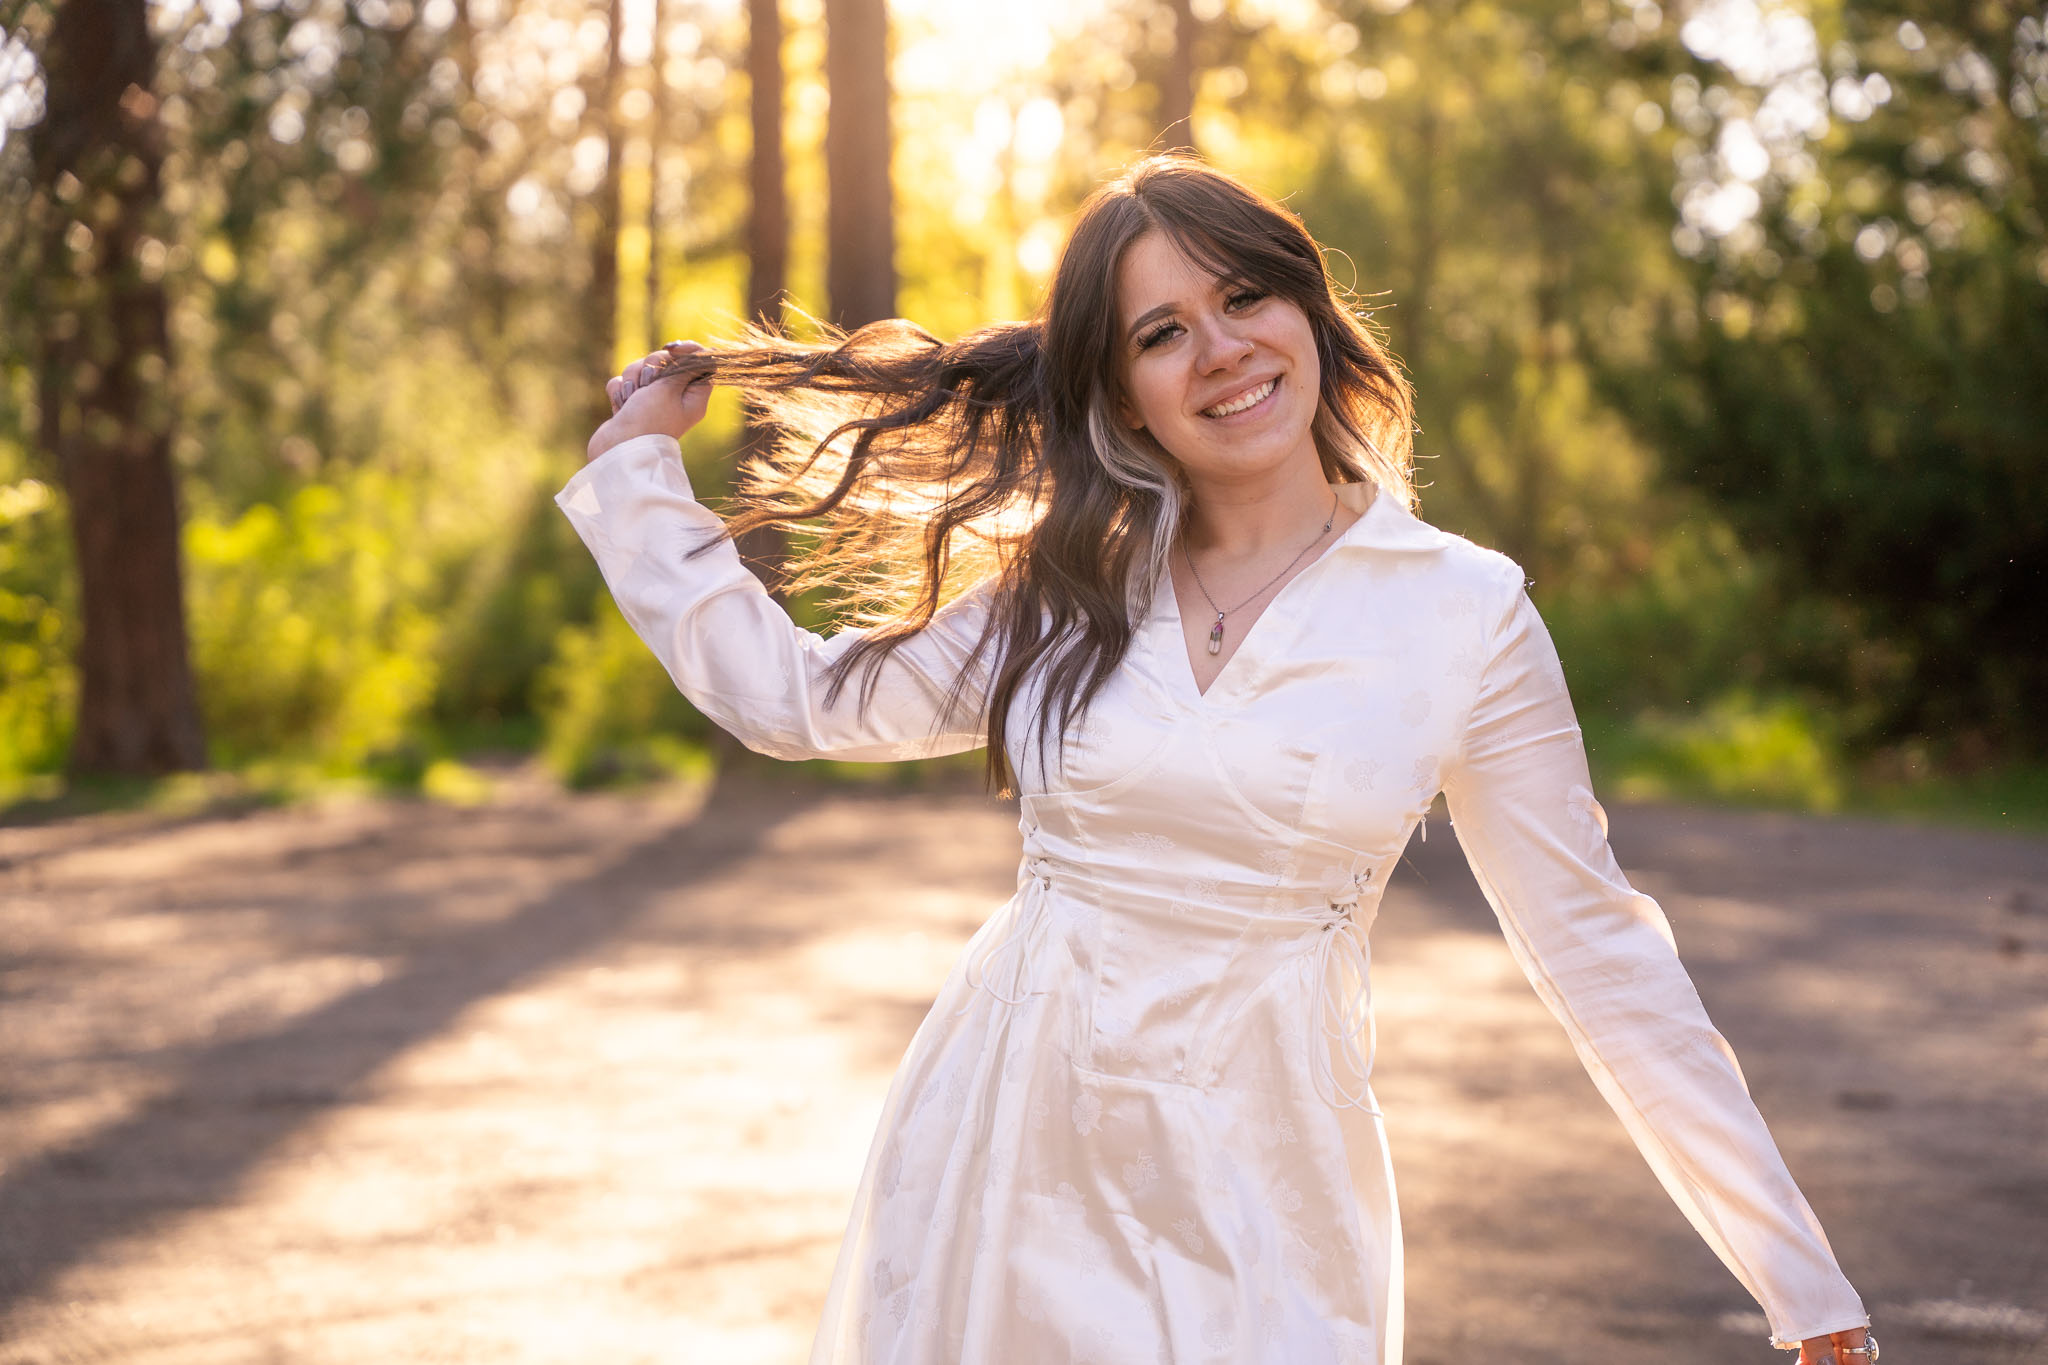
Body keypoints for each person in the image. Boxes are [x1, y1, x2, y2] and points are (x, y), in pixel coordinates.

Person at [557, 154, 1877, 1365]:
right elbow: (802, 700)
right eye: (1161, 332)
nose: (1222, 352)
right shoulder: (1071, 581)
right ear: (1119, 386)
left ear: (1310, 312)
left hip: (1269, 1179)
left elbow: (1600, 954)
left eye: (1244, 298)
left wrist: (1802, 1285)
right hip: (1014, 1143)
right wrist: (639, 481)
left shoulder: (1462, 614)